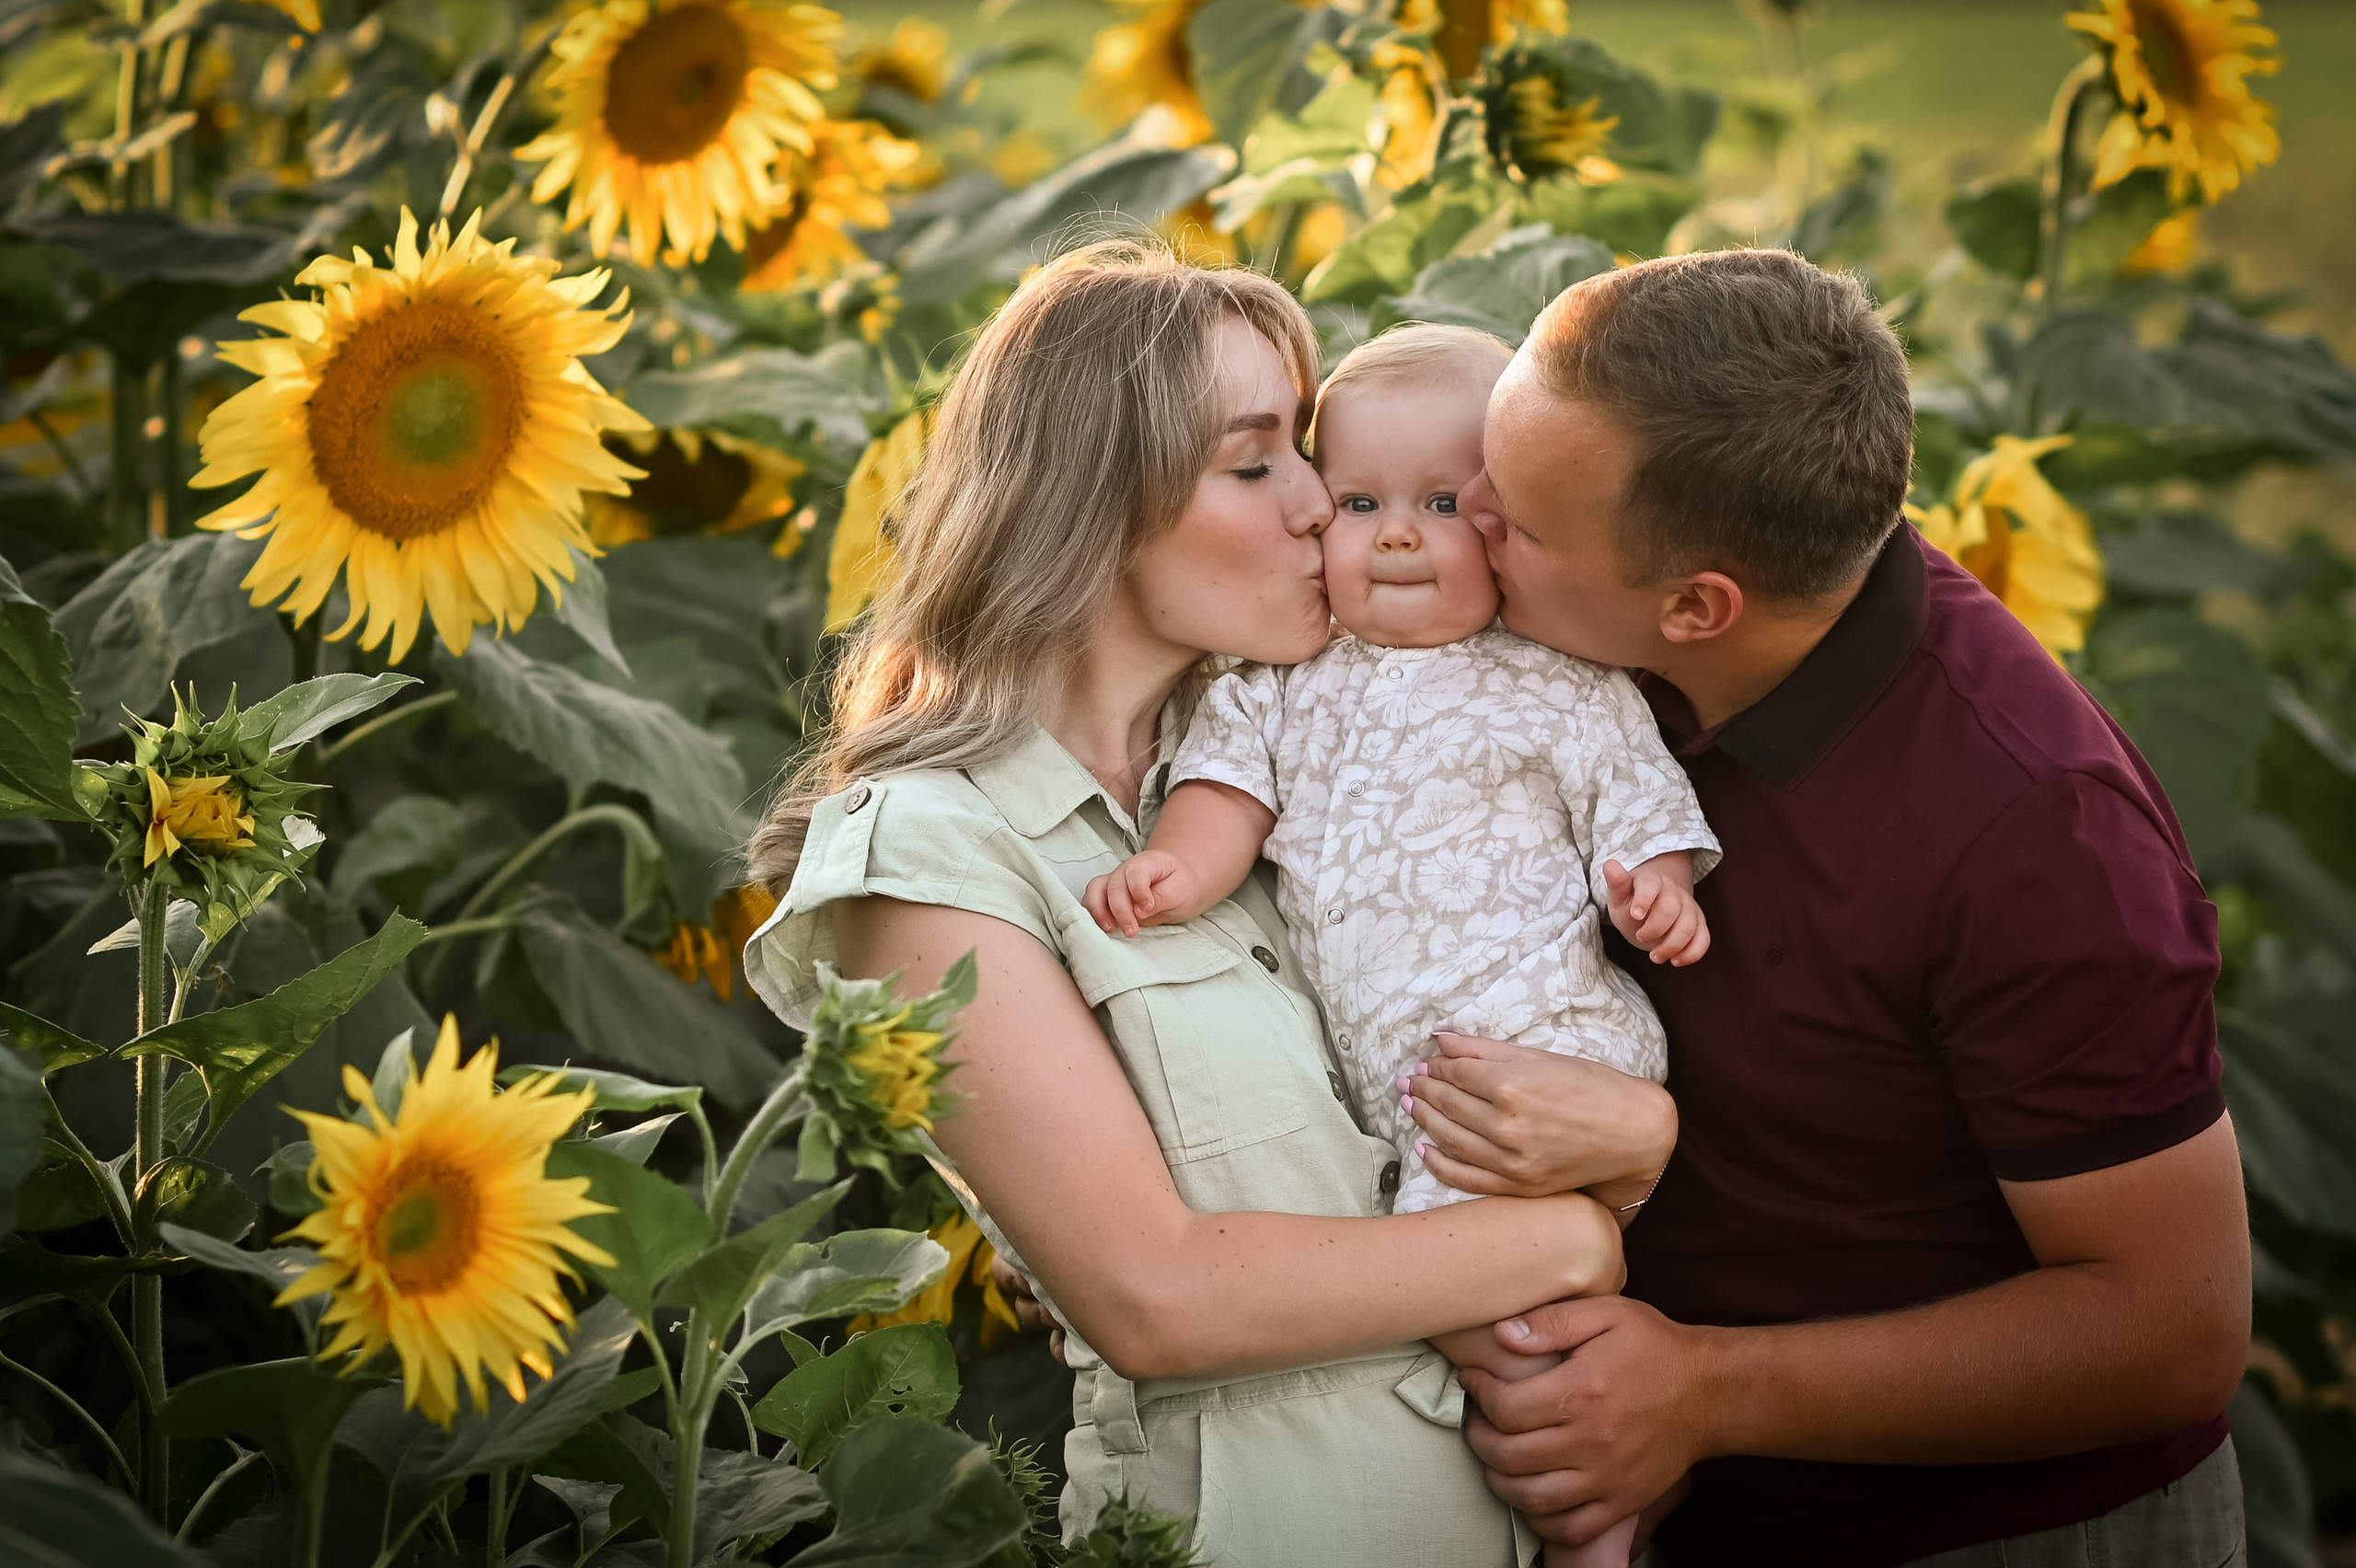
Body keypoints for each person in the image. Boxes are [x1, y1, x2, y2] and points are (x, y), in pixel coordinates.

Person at [741, 239, 1658, 1566]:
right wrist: (1575, 1234)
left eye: (1308, 450)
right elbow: (1157, 1294)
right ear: (1094, 508)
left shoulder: (1284, 767)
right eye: (1254, 463)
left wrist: (1638, 1127)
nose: (1317, 507)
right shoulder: (928, 860)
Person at [1409, 248, 2250, 1566]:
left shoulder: (2037, 832)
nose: (1461, 514)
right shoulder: (1600, 645)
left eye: (1514, 515)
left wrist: (1703, 1389)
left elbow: (2173, 1329)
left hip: (1996, 1527)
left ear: (1697, 606)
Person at [1080, 322, 1720, 1568]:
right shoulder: (1284, 678)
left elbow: (1635, 803)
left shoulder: (1560, 680)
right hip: (1403, 1081)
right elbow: (1227, 797)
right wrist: (1179, 868)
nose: (1396, 536)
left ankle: (1593, 1521)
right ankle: (1605, 1491)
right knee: (1501, 1302)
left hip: (1533, 1040)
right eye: (1360, 501)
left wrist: (1656, 887)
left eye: (1443, 504)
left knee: (1487, 1315)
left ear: (1504, 524)